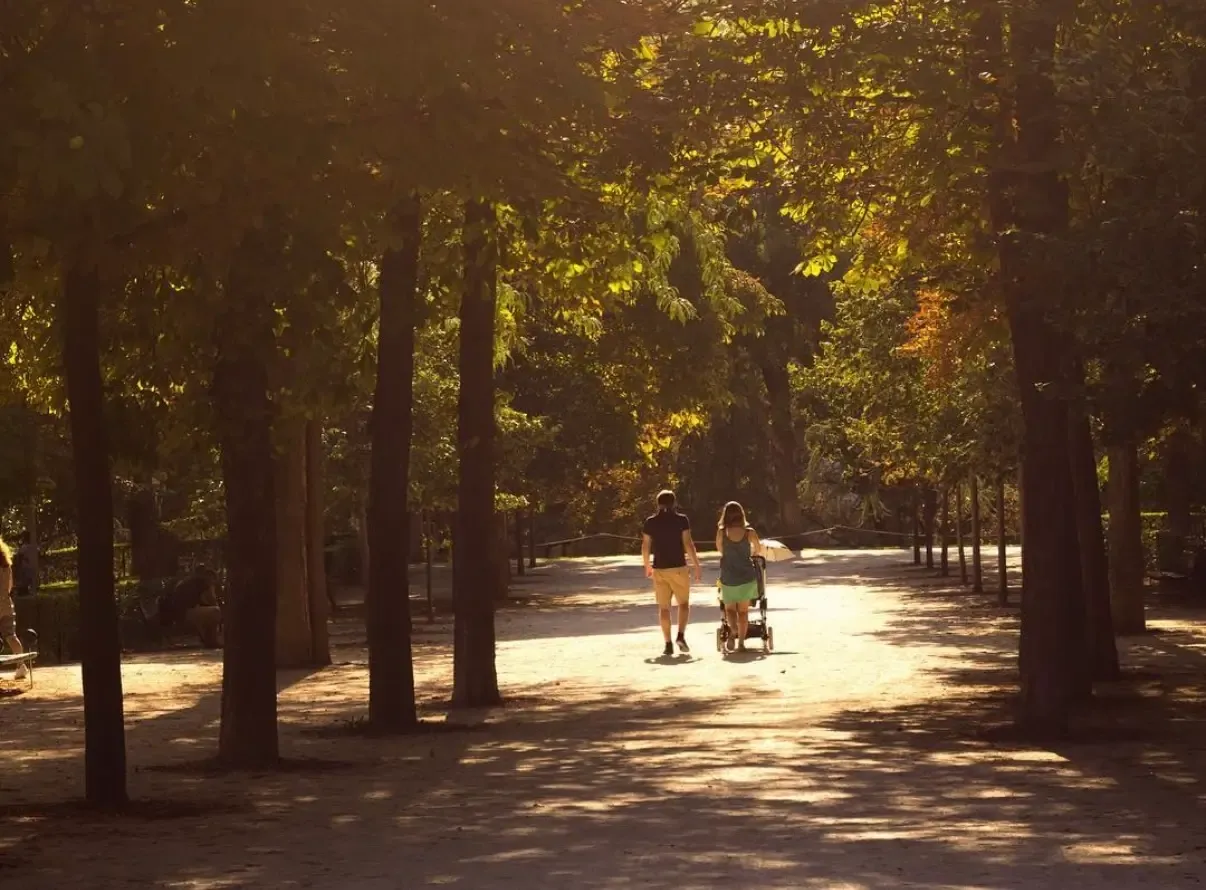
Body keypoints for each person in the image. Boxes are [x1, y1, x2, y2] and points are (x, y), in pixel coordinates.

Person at [641, 489, 702, 656]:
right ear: (674, 503)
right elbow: (688, 544)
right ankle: (680, 636)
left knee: (664, 608)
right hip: (678, 568)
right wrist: (696, 564)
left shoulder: (650, 522)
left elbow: (645, 545)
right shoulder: (681, 520)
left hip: (659, 569)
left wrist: (647, 564)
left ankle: (667, 643)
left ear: (658, 503)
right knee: (683, 604)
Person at [715, 501, 762, 653]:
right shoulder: (750, 532)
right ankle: (741, 642)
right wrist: (752, 554)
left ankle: (733, 631)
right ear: (741, 514)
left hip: (729, 576)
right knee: (743, 612)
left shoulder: (722, 532)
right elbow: (758, 548)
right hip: (747, 576)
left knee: (729, 610)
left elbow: (720, 550)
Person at [0, 537, 29, 680]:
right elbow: (9, 587)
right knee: (11, 636)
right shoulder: (6, 567)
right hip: (6, 605)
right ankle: (21, 666)